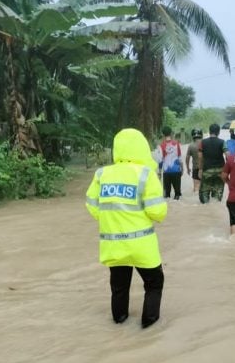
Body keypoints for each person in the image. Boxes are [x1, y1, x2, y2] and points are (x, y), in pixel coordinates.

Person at [85, 128, 167, 328]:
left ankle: (119, 321)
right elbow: (158, 212)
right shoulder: (146, 175)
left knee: (119, 287)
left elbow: (92, 205)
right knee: (154, 283)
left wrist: (111, 218)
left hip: (113, 245)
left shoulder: (102, 174)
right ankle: (149, 324)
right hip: (142, 246)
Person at [198, 123, 226, 203]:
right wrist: (228, 170)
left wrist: (200, 169)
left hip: (207, 171)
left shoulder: (202, 142)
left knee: (204, 197)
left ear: (210, 131)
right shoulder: (222, 142)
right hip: (220, 172)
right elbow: (228, 155)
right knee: (217, 197)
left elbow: (200, 157)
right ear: (218, 132)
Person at [159, 126, 183, 200]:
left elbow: (160, 160)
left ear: (163, 135)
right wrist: (182, 168)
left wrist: (159, 172)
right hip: (176, 170)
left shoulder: (161, 146)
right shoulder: (177, 144)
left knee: (166, 195)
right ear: (171, 133)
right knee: (177, 194)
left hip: (167, 172)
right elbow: (180, 158)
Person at [185, 129, 203, 193]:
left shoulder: (191, 146)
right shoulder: (205, 143)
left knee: (196, 188)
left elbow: (187, 158)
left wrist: (187, 168)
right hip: (205, 168)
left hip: (195, 168)